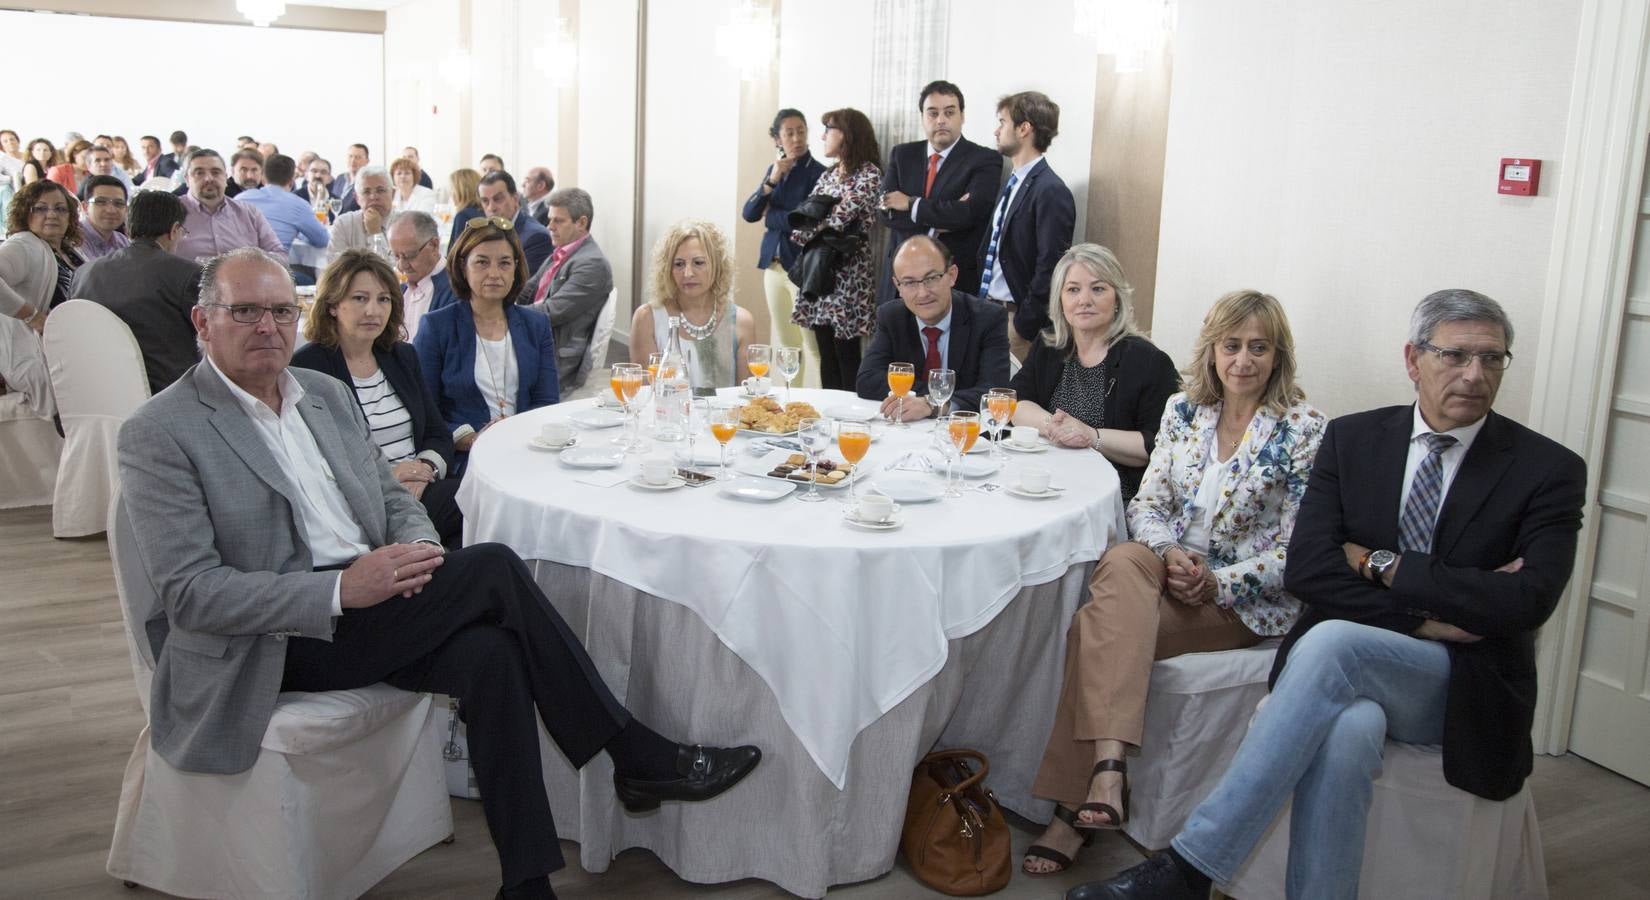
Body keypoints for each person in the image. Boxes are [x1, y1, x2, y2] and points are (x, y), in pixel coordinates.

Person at [117, 247, 761, 900]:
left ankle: (527, 884)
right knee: (493, 568)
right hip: (272, 641)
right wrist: (344, 589)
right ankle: (634, 753)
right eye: (246, 311)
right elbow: (191, 595)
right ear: (202, 321)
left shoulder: (323, 395)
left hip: (374, 598)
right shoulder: (161, 431)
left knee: (492, 654)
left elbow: (393, 497)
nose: (268, 327)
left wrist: (418, 554)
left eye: (282, 311)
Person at [1070, 290, 1587, 900]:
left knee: (1336, 638)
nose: (1474, 375)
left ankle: (1190, 866)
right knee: (1347, 730)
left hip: (1461, 678)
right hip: (1389, 657)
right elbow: (1313, 571)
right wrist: (1430, 612)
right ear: (1413, 359)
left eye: (1492, 359)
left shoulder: (1547, 469)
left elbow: (1524, 604)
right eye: (1454, 355)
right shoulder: (1358, 440)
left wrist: (1376, 564)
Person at [1022, 290, 1324, 878]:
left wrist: (1218, 581)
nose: (1243, 361)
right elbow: (1150, 503)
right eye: (1231, 346)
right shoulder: (1184, 411)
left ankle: (1074, 807)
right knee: (1129, 555)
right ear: (1211, 351)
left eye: (1258, 348)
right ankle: (1108, 774)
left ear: (1278, 356)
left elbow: (1300, 550)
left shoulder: (1304, 429)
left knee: (1094, 627)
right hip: (1165, 571)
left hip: (1243, 602)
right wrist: (1168, 554)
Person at [292, 250, 463, 547]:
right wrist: (390, 477)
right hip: (361, 502)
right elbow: (314, 461)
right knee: (474, 506)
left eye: (383, 299)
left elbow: (437, 433)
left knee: (479, 508)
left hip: (420, 488)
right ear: (333, 305)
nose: (373, 310)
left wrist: (424, 470)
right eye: (360, 298)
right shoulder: (308, 368)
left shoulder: (401, 356)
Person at [1008, 244, 1178, 501]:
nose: (1084, 300)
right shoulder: (1049, 347)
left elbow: (1157, 443)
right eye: (1073, 290)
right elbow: (1016, 402)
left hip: (1113, 493)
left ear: (1118, 299)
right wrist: (1053, 427)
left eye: (1098, 289)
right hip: (1048, 480)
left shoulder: (1149, 361)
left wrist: (1091, 436)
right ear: (1060, 300)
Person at [415, 217, 558, 473]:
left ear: (516, 268)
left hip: (529, 449)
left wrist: (517, 436)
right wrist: (469, 438)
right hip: (470, 457)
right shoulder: (437, 327)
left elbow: (547, 401)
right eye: (482, 262)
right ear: (463, 266)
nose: (494, 273)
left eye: (504, 263)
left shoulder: (536, 325)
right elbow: (424, 411)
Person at [856, 235, 1008, 420]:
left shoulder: (988, 318)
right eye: (910, 282)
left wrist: (933, 403)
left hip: (964, 432)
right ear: (898, 286)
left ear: (952, 275)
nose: (922, 293)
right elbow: (868, 380)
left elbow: (994, 393)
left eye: (931, 278)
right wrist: (930, 398)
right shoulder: (891, 316)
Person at [880, 80, 1003, 302]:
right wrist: (947, 213)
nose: (941, 120)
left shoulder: (985, 159)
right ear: (922, 118)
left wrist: (911, 204)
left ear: (962, 116)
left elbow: (971, 213)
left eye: (949, 112)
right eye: (933, 113)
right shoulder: (902, 155)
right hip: (900, 280)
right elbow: (885, 213)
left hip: (953, 281)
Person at [69, 191, 202, 395]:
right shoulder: (186, 274)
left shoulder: (83, 273)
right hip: (170, 393)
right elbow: (211, 335)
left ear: (129, 228)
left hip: (98, 391)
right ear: (174, 230)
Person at [979, 90, 1076, 363]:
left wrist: (1023, 325)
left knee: (1007, 400)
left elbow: (1051, 266)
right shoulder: (1012, 182)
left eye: (1002, 122)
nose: (997, 131)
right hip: (988, 311)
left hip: (1014, 318)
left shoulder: (1050, 190)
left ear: (1024, 128)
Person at [790, 107, 882, 390]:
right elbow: (803, 221)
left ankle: (850, 418)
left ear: (847, 135)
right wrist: (812, 223)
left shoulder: (869, 174)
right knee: (825, 350)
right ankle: (829, 414)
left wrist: (813, 223)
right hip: (819, 271)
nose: (823, 136)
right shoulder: (829, 175)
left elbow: (837, 221)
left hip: (847, 274)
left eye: (829, 129)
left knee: (846, 352)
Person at [741, 107, 827, 389]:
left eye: (801, 131)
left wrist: (773, 216)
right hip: (773, 266)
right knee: (787, 343)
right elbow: (750, 213)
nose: (796, 138)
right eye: (789, 133)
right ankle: (792, 401)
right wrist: (771, 180)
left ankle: (820, 400)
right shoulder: (775, 170)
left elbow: (806, 221)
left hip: (802, 269)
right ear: (777, 139)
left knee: (811, 343)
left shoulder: (819, 173)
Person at [629, 220, 754, 393]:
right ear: (668, 269)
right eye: (679, 264)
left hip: (724, 420)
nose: (688, 273)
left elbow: (747, 399)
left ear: (717, 265)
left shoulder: (741, 321)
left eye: (699, 263)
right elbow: (644, 396)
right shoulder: (647, 318)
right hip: (666, 418)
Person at [518, 188, 613, 390]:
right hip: (539, 341)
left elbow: (552, 312)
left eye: (558, 221)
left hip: (557, 359)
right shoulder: (564, 251)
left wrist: (504, 312)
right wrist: (499, 299)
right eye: (550, 219)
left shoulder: (592, 264)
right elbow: (528, 290)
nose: (549, 226)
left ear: (581, 222)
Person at [174, 150, 287, 264]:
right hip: (189, 281)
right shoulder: (172, 212)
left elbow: (279, 254)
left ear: (226, 178)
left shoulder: (249, 213)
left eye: (216, 172)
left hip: (244, 278)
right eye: (199, 173)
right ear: (187, 179)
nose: (209, 178)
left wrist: (252, 262)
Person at [1, 179, 85, 326]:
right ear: (24, 213)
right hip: (30, 346)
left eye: (60, 209)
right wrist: (32, 316)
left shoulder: (70, 249)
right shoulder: (23, 245)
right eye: (40, 208)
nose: (52, 215)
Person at [237, 154, 329, 283]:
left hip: (237, 272)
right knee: (310, 279)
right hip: (274, 275)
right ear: (292, 181)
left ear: (263, 178)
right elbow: (322, 240)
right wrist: (300, 234)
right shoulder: (298, 204)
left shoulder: (240, 199)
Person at [387, 210, 455, 339]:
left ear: (434, 245)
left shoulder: (455, 289)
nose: (402, 265)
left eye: (410, 256)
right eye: (396, 257)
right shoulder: (399, 289)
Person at [477, 171, 552, 273]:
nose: (491, 208)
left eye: (498, 199)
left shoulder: (537, 237)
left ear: (515, 199)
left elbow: (526, 286)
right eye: (485, 201)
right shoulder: (481, 232)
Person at [327, 165, 393, 262]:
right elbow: (335, 266)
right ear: (357, 198)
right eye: (366, 192)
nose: (374, 197)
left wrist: (375, 233)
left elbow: (396, 270)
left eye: (380, 190)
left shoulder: (405, 224)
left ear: (393, 193)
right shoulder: (343, 224)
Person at [76, 174, 131, 262]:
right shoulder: (76, 239)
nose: (111, 210)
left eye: (118, 203)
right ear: (85, 207)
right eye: (101, 202)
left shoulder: (122, 241)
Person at [447, 167, 484, 244]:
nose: (450, 193)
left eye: (452, 189)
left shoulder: (463, 216)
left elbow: (457, 252)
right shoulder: (484, 211)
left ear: (461, 191)